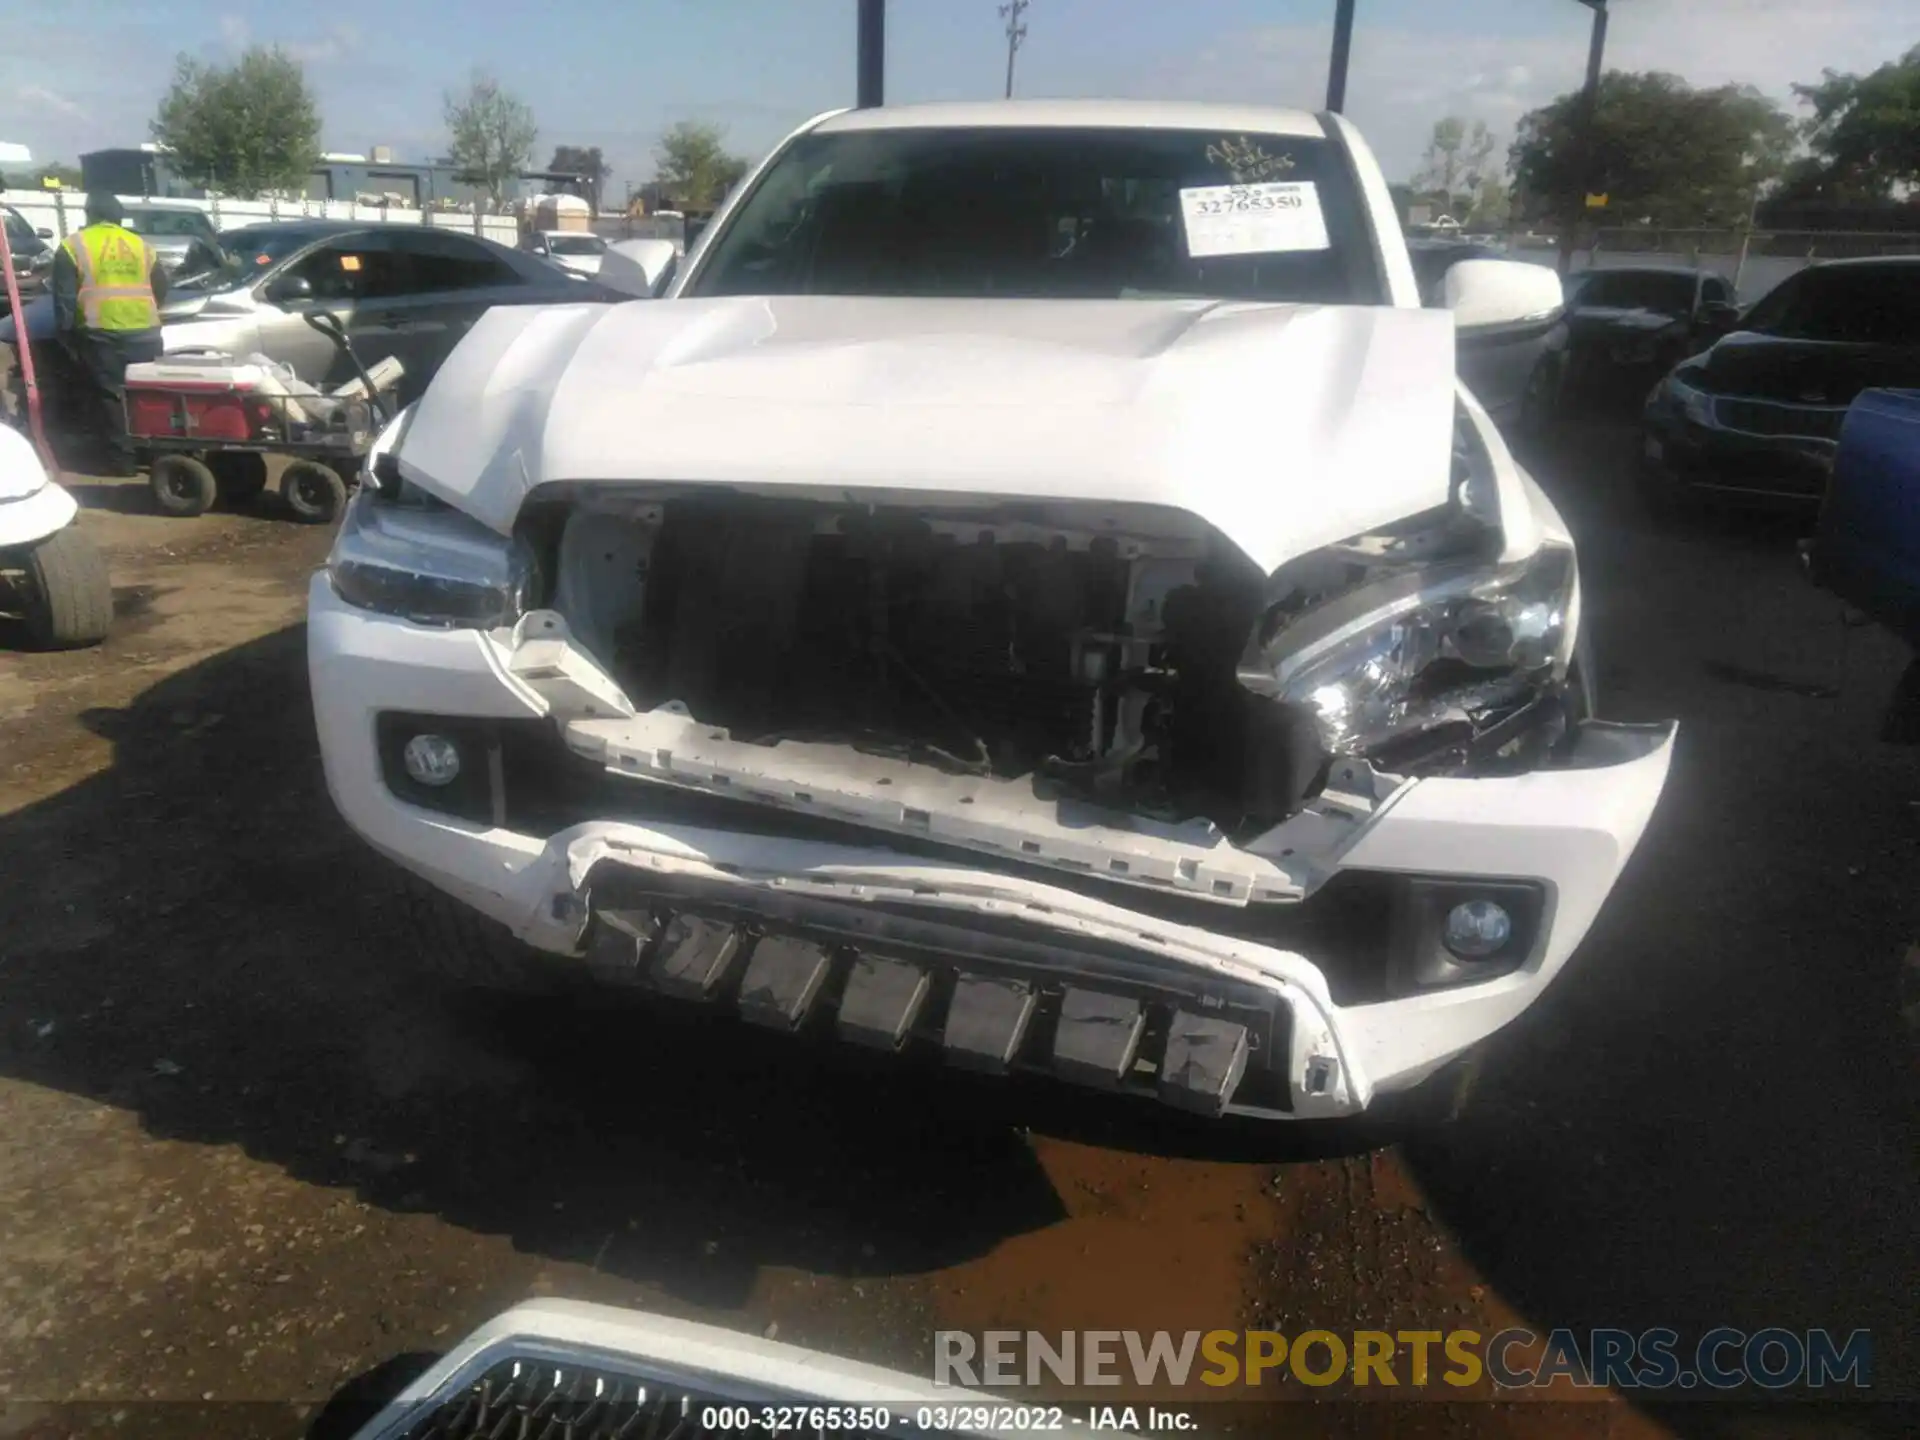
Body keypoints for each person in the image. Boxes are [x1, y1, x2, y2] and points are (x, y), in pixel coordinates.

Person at [50, 192, 169, 474]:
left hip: (101, 332)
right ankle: (154, 454)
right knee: (146, 394)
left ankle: (122, 462)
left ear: (89, 214)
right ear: (119, 216)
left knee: (111, 396)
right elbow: (161, 287)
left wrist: (65, 335)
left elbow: (64, 299)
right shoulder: (141, 245)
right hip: (146, 331)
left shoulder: (73, 245)